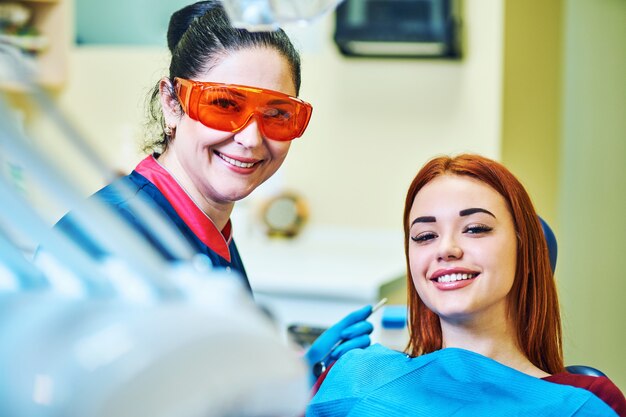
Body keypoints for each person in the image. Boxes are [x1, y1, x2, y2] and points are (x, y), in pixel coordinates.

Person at [51, 0, 373, 381]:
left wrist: (298, 374)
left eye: (276, 114)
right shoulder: (109, 238)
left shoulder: (208, 230)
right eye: (223, 104)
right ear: (173, 104)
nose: (251, 139)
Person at [308, 154, 625, 416]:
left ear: (524, 250)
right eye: (425, 236)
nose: (445, 249)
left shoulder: (586, 403)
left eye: (474, 228)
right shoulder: (353, 376)